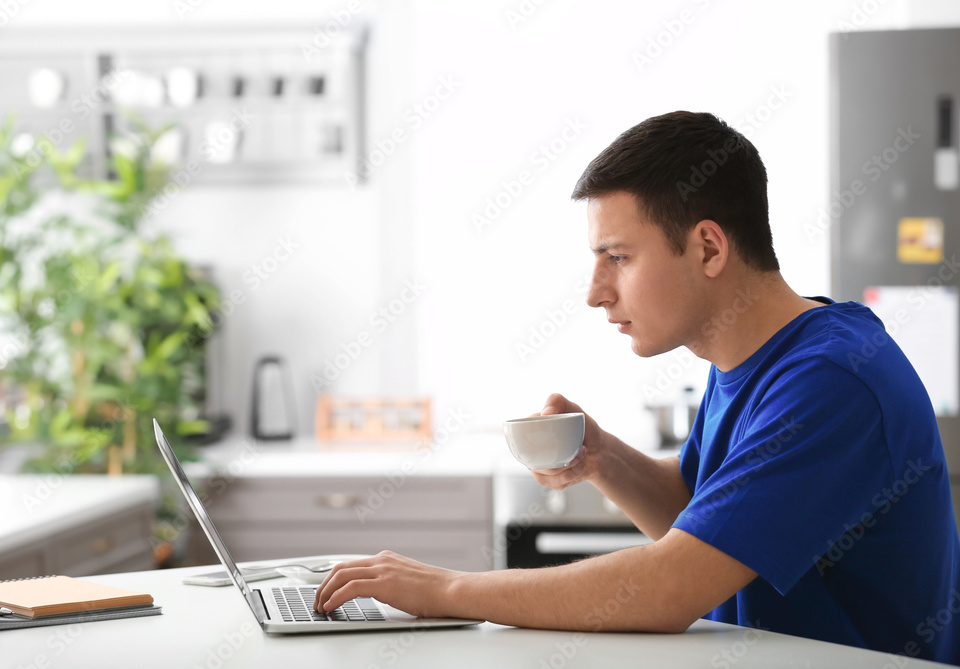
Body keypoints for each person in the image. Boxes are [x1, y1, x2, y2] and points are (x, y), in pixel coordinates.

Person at [314, 111, 960, 664]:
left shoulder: (829, 382)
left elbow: (673, 584)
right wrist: (604, 456)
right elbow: (703, 517)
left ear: (708, 247)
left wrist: (447, 590)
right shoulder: (756, 355)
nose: (596, 292)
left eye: (617, 257)